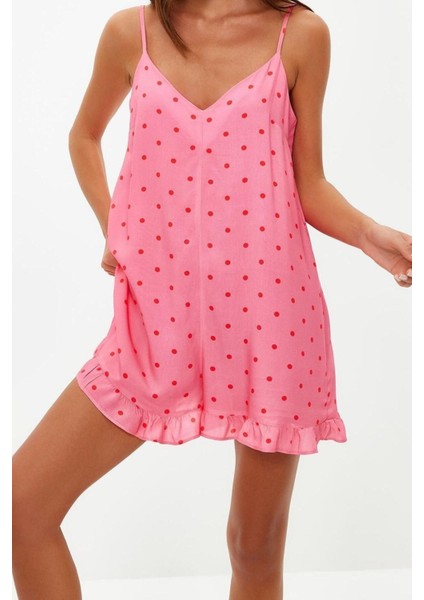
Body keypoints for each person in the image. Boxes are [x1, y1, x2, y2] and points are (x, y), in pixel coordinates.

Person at [12, 1, 412, 599]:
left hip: (271, 320)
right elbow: (84, 136)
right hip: (154, 321)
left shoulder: (301, 36)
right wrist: (113, 226)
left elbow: (309, 182)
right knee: (22, 504)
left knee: (254, 547)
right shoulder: (131, 32)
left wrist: (367, 233)